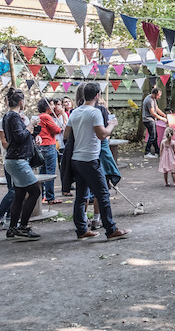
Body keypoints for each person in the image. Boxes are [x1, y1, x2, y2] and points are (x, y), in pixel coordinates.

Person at [65, 82, 130, 241]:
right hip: (90, 159)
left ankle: (81, 230)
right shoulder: (94, 113)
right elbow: (102, 135)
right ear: (97, 95)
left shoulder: (74, 112)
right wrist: (111, 125)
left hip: (76, 159)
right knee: (103, 193)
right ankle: (111, 230)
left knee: (81, 196)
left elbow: (66, 135)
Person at [2, 87, 43, 241]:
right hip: (18, 161)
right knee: (34, 192)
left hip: (14, 160)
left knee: (19, 195)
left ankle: (12, 228)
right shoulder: (13, 117)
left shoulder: (9, 116)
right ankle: (23, 227)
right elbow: (19, 137)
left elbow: (24, 136)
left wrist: (34, 128)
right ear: (21, 101)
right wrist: (30, 124)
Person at [36, 98, 62, 204]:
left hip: (41, 146)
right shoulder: (46, 116)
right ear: (46, 107)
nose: (53, 107)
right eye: (51, 105)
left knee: (42, 172)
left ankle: (41, 196)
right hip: (49, 145)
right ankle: (50, 197)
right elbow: (57, 130)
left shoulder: (39, 117)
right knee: (50, 172)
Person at [142, 87, 168, 159]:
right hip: (148, 120)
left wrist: (164, 115)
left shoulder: (153, 99)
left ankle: (157, 151)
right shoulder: (149, 100)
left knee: (154, 136)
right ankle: (147, 152)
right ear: (154, 94)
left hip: (151, 120)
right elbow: (153, 113)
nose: (159, 97)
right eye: (159, 95)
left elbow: (157, 109)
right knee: (152, 136)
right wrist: (162, 119)